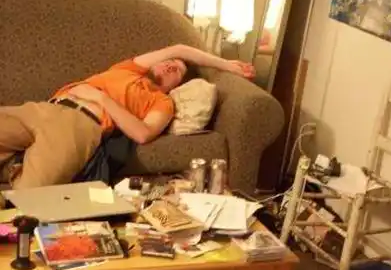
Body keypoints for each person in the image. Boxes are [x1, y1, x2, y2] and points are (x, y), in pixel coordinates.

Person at [0, 44, 255, 189]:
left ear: (176, 85)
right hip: (43, 109)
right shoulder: (127, 69)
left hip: (80, 124)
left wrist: (101, 99)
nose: (170, 65)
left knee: (29, 196)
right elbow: (180, 48)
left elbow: (142, 134)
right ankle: (14, 166)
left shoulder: (162, 102)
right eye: (169, 61)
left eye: (177, 70)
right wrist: (226, 64)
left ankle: (16, 170)